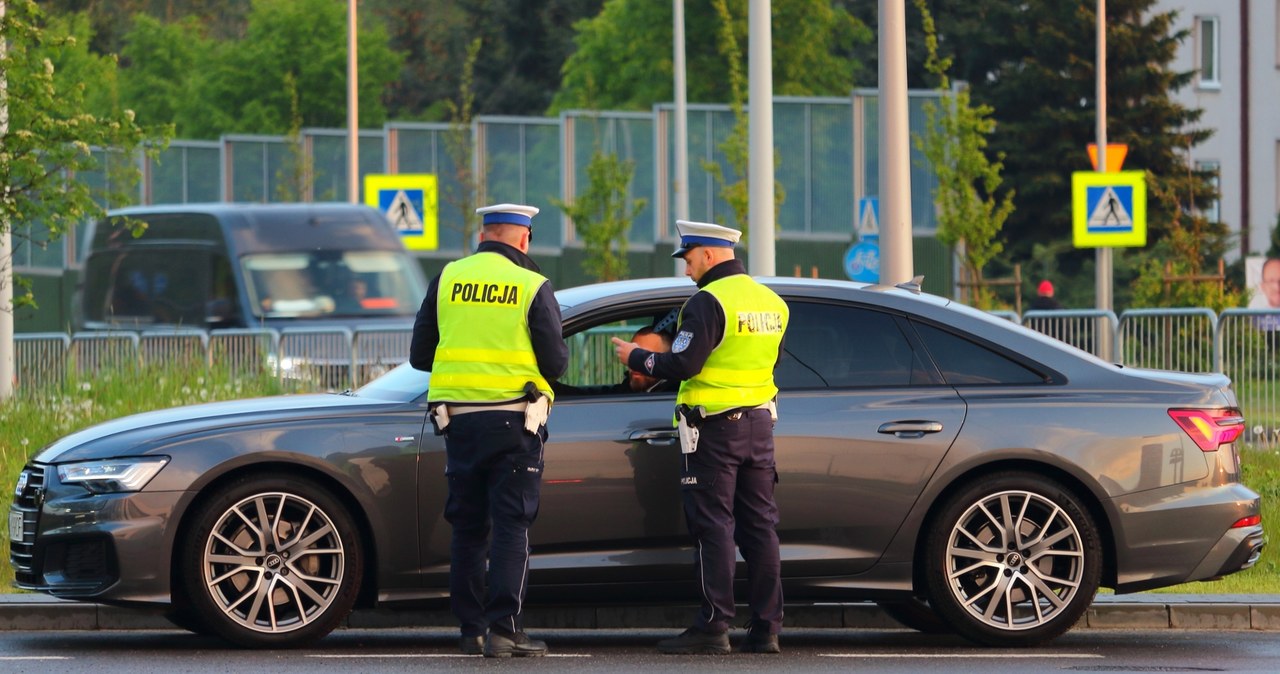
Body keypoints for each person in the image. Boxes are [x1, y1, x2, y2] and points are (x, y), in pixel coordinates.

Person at [611, 219, 789, 655]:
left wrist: (637, 356)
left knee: (714, 528)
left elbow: (684, 364)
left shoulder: (708, 302)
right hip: (759, 427)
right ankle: (767, 628)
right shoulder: (773, 303)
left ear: (709, 254)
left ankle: (713, 626)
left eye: (689, 259)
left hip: (714, 431)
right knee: (761, 528)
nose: (687, 269)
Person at [408, 203, 569, 658]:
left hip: (457, 422)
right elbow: (556, 363)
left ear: (483, 235)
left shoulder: (447, 279)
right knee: (511, 526)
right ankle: (505, 631)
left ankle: (471, 630)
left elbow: (422, 356)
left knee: (467, 526)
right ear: (524, 239)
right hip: (515, 421)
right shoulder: (531, 284)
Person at [555, 326, 677, 396]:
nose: (634, 360)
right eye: (632, 353)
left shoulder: (670, 396)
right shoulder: (627, 390)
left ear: (665, 359)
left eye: (643, 355)